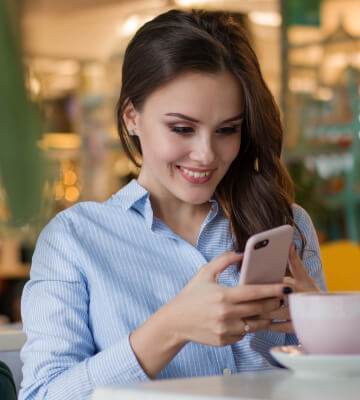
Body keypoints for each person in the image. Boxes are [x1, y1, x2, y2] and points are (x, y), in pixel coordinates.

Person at [19, 9, 326, 400]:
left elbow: (328, 384)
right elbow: (42, 395)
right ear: (132, 116)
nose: (206, 154)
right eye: (182, 128)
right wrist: (169, 329)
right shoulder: (74, 239)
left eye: (227, 130)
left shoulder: (284, 224)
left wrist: (324, 328)